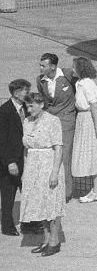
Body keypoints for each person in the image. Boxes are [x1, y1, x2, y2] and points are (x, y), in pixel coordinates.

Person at [19, 93, 67, 255]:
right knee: (40, 204)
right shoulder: (27, 122)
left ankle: (54, 240)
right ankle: (46, 239)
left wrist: (54, 172)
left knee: (52, 203)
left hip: (48, 165)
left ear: (41, 105)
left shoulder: (53, 121)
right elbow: (26, 149)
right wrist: (26, 172)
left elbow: (58, 148)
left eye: (31, 105)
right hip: (33, 166)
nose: (28, 109)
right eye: (27, 106)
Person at [69, 57, 97, 202]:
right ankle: (94, 190)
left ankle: (96, 191)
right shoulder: (79, 83)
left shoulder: (87, 83)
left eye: (74, 67)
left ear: (80, 69)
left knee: (94, 153)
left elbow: (94, 105)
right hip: (82, 119)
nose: (72, 70)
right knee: (89, 153)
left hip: (90, 119)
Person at [37, 53, 76, 179]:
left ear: (53, 67)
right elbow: (42, 99)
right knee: (50, 152)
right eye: (40, 65)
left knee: (65, 155)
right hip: (51, 119)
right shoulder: (40, 80)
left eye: (43, 66)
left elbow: (85, 84)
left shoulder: (68, 74)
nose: (40, 68)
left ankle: (66, 191)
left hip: (66, 120)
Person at [1, 80, 25, 237]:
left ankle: (31, 225)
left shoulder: (27, 108)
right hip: (10, 162)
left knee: (29, 193)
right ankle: (7, 226)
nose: (27, 94)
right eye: (25, 91)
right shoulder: (4, 112)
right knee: (9, 195)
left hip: (25, 160)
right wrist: (10, 162)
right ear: (16, 93)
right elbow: (2, 141)